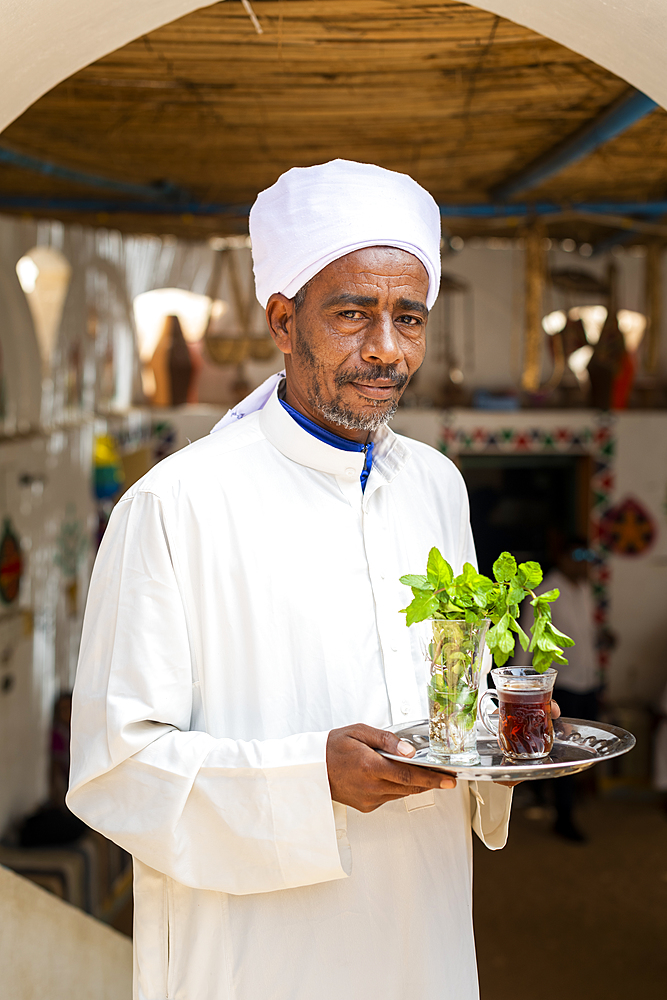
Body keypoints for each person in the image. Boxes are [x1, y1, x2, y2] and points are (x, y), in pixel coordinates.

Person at [67, 160, 513, 1000]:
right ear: (282, 318)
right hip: (257, 960)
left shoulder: (435, 486)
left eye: (407, 318)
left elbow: (454, 695)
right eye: (352, 314)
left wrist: (504, 726)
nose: (385, 349)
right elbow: (113, 771)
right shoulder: (176, 505)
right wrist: (313, 781)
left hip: (424, 936)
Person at [518, 535, 599, 841]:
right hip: (561, 688)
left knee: (579, 746)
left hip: (587, 682)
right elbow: (527, 642)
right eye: (578, 554)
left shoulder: (586, 589)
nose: (584, 560)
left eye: (588, 554)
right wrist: (521, 688)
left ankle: (552, 796)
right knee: (563, 753)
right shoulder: (545, 593)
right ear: (562, 556)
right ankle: (563, 816)